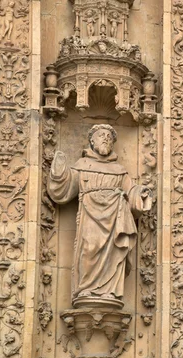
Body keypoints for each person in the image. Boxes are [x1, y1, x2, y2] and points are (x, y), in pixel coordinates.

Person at [48, 124, 152, 308]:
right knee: (89, 249)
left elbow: (131, 191)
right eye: (101, 135)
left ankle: (110, 291)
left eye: (109, 137)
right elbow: (64, 189)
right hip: (90, 218)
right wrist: (59, 169)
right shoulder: (82, 166)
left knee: (114, 255)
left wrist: (140, 193)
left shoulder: (119, 170)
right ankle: (85, 289)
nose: (105, 139)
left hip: (114, 220)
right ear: (92, 141)